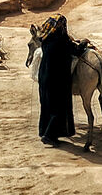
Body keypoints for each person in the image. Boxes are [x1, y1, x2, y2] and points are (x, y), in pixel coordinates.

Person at [31, 14, 79, 147]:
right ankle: (49, 136)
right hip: (57, 79)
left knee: (47, 106)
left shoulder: (46, 38)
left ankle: (45, 131)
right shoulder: (61, 39)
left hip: (45, 78)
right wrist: (84, 43)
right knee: (59, 108)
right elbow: (75, 51)